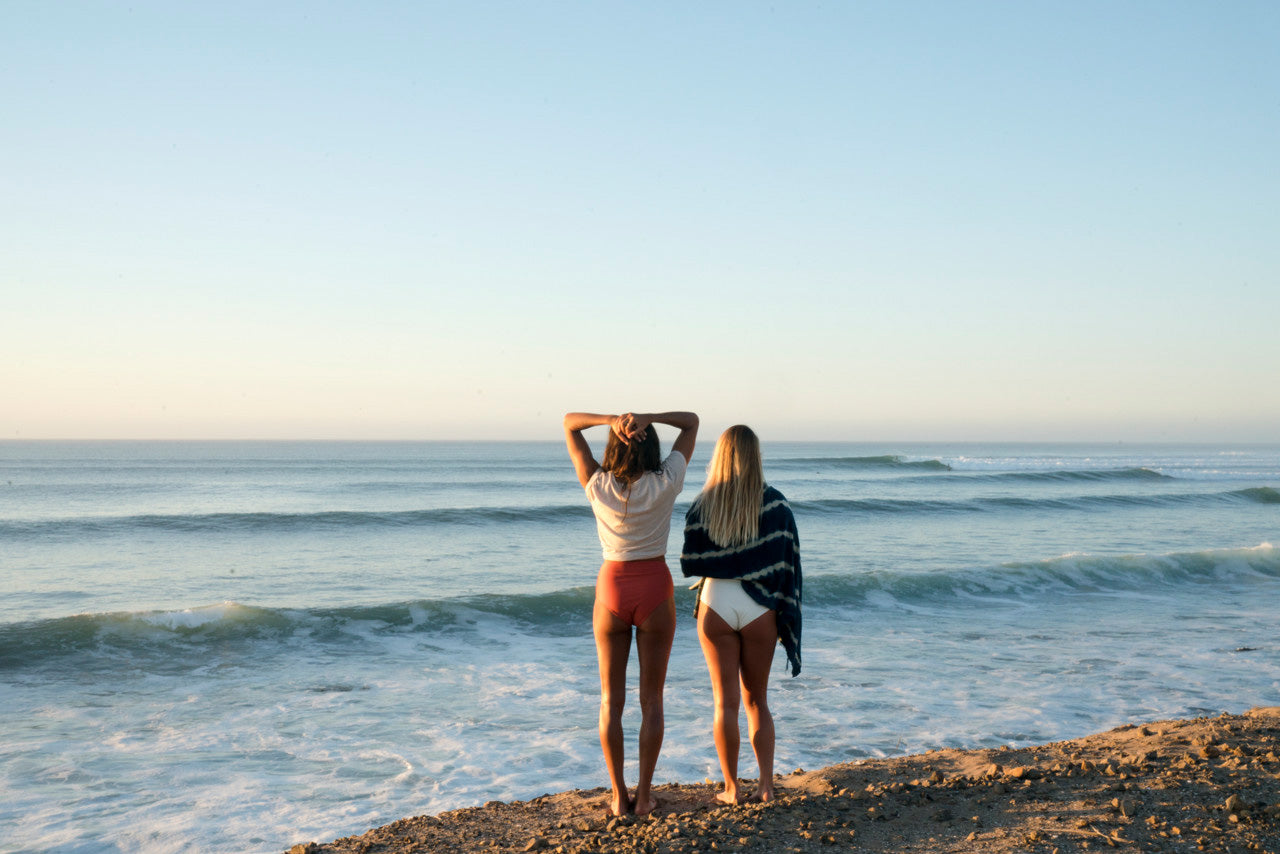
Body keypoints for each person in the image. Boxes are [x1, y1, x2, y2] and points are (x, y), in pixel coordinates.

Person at [564, 410, 699, 817]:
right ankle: (644, 796)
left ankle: (617, 796)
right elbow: (691, 422)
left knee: (611, 701)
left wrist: (612, 419)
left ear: (612, 446)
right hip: (655, 587)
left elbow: (569, 423)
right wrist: (648, 417)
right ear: (651, 445)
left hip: (612, 589)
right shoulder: (666, 481)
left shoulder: (597, 483)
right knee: (652, 701)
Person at [680, 425, 802, 805]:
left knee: (725, 703)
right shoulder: (776, 504)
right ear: (755, 456)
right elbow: (788, 563)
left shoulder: (704, 504)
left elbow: (692, 559)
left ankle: (732, 789)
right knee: (757, 701)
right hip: (758, 608)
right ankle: (766, 786)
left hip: (716, 603)